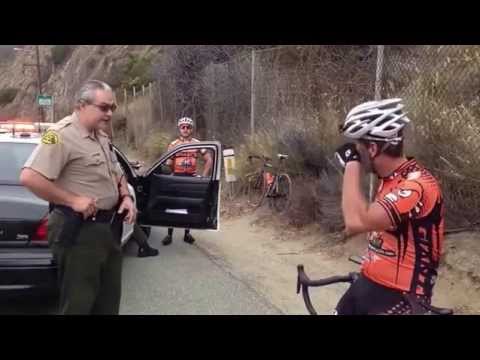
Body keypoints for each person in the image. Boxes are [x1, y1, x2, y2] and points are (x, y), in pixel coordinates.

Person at [20, 80, 136, 315]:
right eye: (104, 107)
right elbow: (30, 177)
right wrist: (73, 200)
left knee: (108, 303)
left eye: (112, 107)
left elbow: (115, 170)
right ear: (81, 105)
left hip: (108, 229)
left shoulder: (101, 136)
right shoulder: (58, 135)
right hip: (79, 232)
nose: (110, 113)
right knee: (79, 304)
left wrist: (125, 196)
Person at [334, 98, 445, 315]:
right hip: (371, 285)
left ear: (373, 148)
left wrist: (351, 163)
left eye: (358, 146)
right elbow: (360, 223)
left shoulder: (416, 186)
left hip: (404, 297)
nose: (354, 150)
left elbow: (355, 222)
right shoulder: (391, 179)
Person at [97, 115, 159, 258]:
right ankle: (144, 246)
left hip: (111, 195)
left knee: (128, 215)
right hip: (103, 198)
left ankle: (144, 246)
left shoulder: (106, 145)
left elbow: (116, 166)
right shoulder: (92, 145)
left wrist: (125, 194)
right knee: (129, 216)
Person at [162, 117, 213, 246]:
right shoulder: (173, 144)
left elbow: (209, 160)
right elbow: (168, 164)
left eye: (188, 127)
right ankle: (169, 234)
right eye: (183, 127)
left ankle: (187, 234)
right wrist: (169, 175)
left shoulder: (197, 143)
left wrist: (203, 176)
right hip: (177, 177)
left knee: (189, 207)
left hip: (191, 178)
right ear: (179, 129)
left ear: (191, 129)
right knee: (173, 206)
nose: (185, 129)